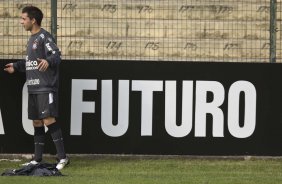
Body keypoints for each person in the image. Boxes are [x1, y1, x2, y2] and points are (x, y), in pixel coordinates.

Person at [4, 6, 69, 170]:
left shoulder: (44, 37)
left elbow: (56, 55)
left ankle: (63, 157)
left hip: (45, 87)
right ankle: (37, 159)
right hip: (33, 88)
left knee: (48, 120)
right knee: (37, 122)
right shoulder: (32, 39)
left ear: (33, 20)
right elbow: (31, 63)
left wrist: (49, 61)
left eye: (23, 19)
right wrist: (16, 66)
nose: (21, 22)